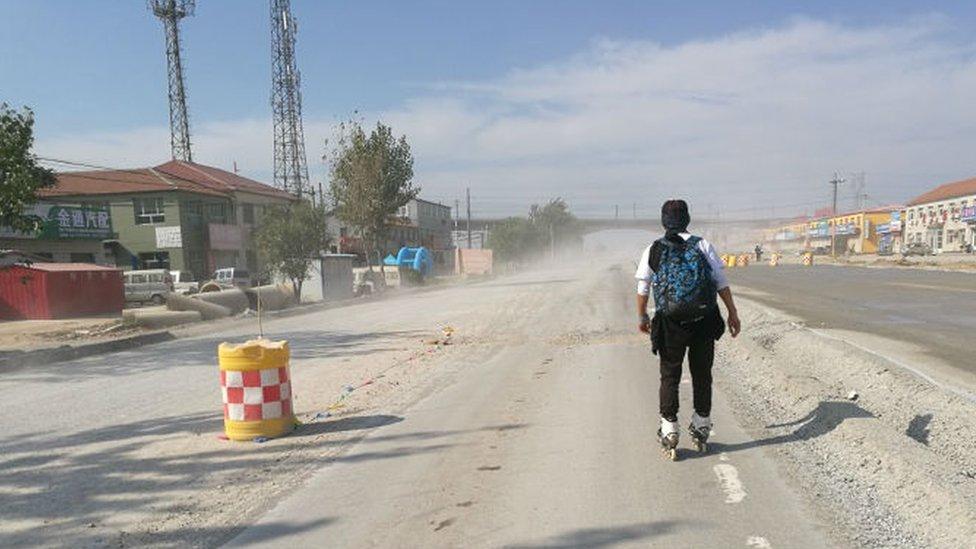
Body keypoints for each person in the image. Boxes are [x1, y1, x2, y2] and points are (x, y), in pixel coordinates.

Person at [635, 199, 741, 459]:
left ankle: (670, 429)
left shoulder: (654, 249)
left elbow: (643, 288)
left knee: (670, 375)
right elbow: (720, 281)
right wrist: (732, 312)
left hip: (670, 323)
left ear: (663, 220)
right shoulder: (702, 245)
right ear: (687, 219)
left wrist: (642, 317)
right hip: (704, 320)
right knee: (702, 373)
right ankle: (702, 425)